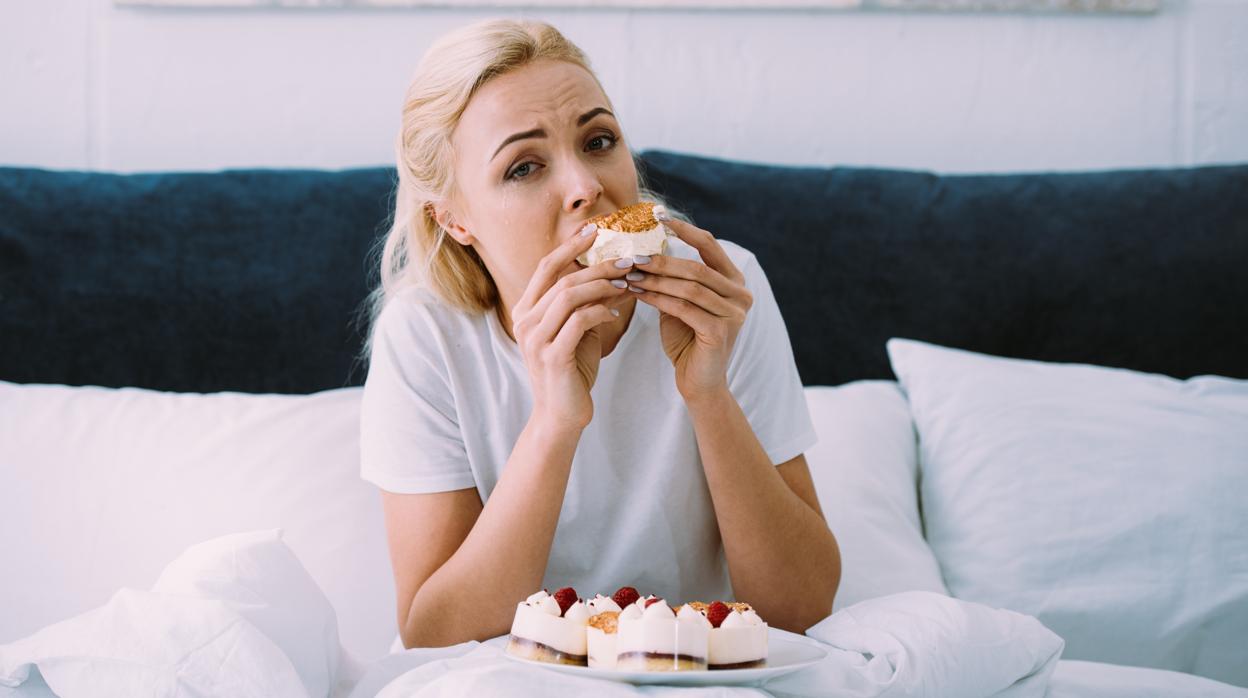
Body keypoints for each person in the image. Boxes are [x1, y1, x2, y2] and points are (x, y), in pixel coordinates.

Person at [359, 18, 840, 650]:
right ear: (453, 220)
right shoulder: (427, 336)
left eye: (598, 140)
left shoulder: (723, 289)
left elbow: (800, 609)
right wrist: (556, 420)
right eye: (525, 167)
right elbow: (436, 637)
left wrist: (708, 394)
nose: (588, 188)